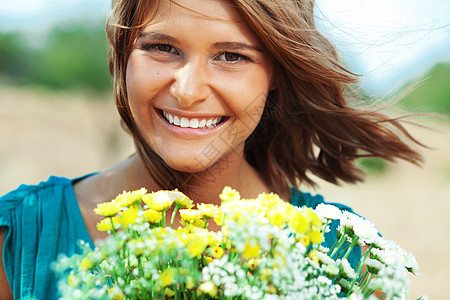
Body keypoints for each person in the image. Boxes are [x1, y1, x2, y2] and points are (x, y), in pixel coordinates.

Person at [0, 0, 423, 299]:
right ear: (121, 54)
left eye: (231, 57)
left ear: (277, 71)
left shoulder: (346, 256)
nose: (187, 91)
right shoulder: (18, 239)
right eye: (162, 48)